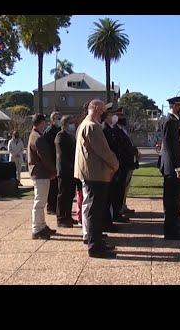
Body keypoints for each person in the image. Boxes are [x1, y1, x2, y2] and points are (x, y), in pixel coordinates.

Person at [75, 99, 119, 258]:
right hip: (95, 174)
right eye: (101, 110)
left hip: (91, 173)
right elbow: (104, 152)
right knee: (95, 211)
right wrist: (115, 164)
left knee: (93, 210)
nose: (104, 113)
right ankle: (95, 247)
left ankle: (97, 241)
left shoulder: (84, 125)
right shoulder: (92, 127)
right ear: (93, 108)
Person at [160, 95, 180, 240]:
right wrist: (177, 167)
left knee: (176, 199)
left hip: (174, 166)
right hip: (172, 167)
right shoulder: (169, 122)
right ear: (175, 106)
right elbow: (170, 147)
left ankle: (174, 224)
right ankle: (170, 231)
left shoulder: (175, 121)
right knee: (171, 200)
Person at [27, 114, 57, 240]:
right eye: (44, 122)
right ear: (41, 122)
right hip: (41, 173)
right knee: (39, 202)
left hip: (38, 172)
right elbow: (45, 157)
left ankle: (41, 225)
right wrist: (53, 170)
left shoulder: (33, 135)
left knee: (41, 201)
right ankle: (37, 228)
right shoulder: (39, 138)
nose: (46, 124)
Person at [55, 115, 79, 228]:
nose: (72, 125)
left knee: (70, 195)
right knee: (63, 195)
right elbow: (63, 154)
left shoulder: (71, 136)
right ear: (64, 124)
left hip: (71, 170)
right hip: (64, 170)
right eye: (70, 122)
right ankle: (61, 218)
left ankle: (68, 216)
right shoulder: (60, 136)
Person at [43, 111, 62, 215]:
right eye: (56, 118)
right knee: (52, 187)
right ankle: (51, 207)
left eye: (59, 117)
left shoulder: (59, 130)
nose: (58, 119)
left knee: (57, 187)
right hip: (52, 162)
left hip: (58, 161)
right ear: (52, 120)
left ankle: (56, 206)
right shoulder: (49, 131)